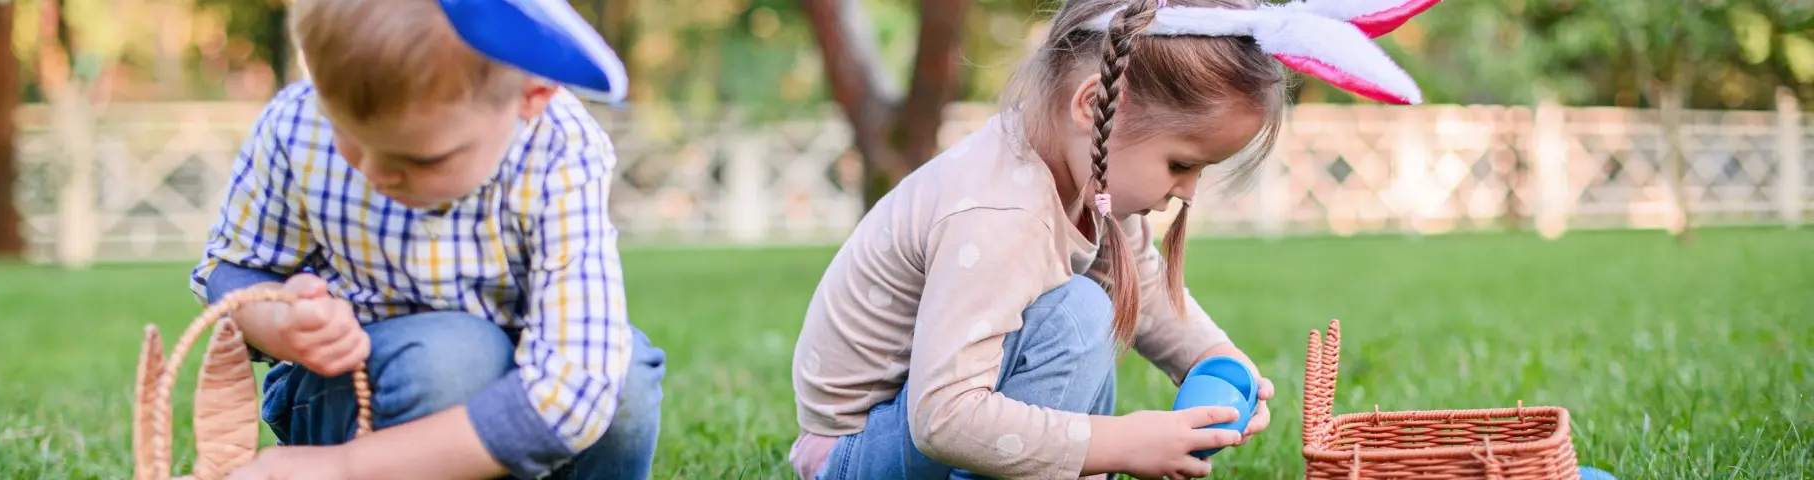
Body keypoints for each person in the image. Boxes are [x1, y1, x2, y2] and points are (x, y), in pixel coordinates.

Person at [786, 0, 1435, 478]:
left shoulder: (1087, 178)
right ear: (1095, 108)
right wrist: (1119, 444)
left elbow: (1145, 293)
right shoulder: (1000, 208)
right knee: (1079, 315)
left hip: (913, 433)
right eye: (1183, 164)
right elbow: (943, 418)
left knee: (1093, 302)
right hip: (861, 448)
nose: (1188, 192)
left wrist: (1213, 359)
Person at [188, 0, 663, 478]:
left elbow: (577, 387)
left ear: (531, 95)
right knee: (454, 359)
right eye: (346, 135)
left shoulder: (561, 148)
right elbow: (231, 270)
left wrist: (344, 468)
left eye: (422, 160)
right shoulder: (295, 125)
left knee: (622, 377)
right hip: (357, 392)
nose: (373, 173)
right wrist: (280, 321)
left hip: (507, 406)